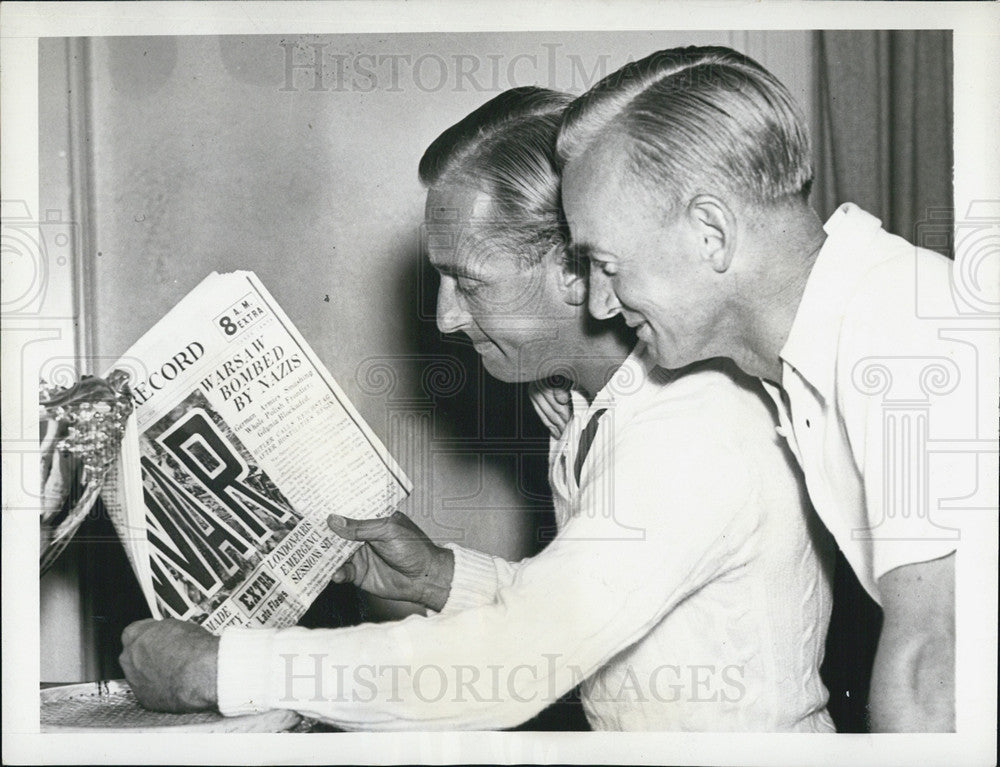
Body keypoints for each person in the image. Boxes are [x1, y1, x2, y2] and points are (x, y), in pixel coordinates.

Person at [120, 86, 835, 731]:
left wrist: (224, 667)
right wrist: (437, 575)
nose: (444, 317)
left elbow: (513, 660)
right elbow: (592, 606)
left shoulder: (694, 422)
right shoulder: (600, 404)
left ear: (577, 268)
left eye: (469, 280)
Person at [556, 45, 961, 732]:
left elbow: (936, 668)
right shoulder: (812, 359)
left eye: (606, 264)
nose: (599, 304)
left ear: (712, 233)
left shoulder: (896, 325)